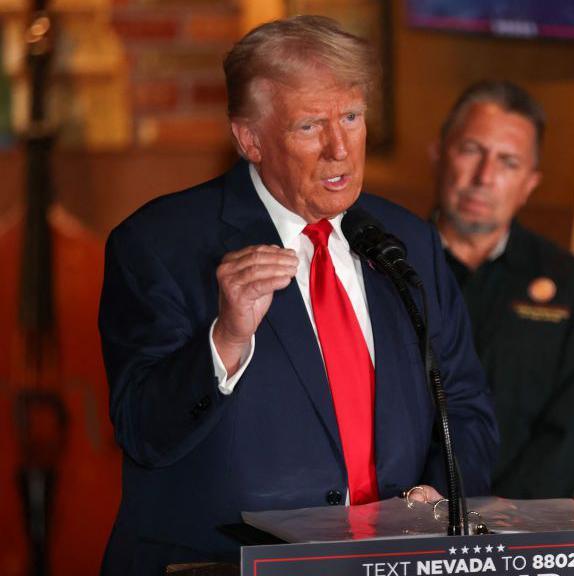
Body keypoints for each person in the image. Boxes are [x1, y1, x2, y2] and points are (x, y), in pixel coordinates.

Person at [98, 16, 498, 574]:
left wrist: (433, 497)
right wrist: (226, 338)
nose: (339, 149)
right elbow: (142, 432)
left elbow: (467, 407)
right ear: (250, 139)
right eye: (310, 126)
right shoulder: (160, 245)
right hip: (223, 565)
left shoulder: (408, 242)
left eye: (352, 118)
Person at [432, 81, 574, 498]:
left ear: (530, 183)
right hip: (395, 526)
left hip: (519, 537)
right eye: (472, 150)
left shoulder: (570, 286)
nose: (485, 177)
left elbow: (571, 432)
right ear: (439, 153)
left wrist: (500, 526)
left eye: (508, 162)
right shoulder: (379, 266)